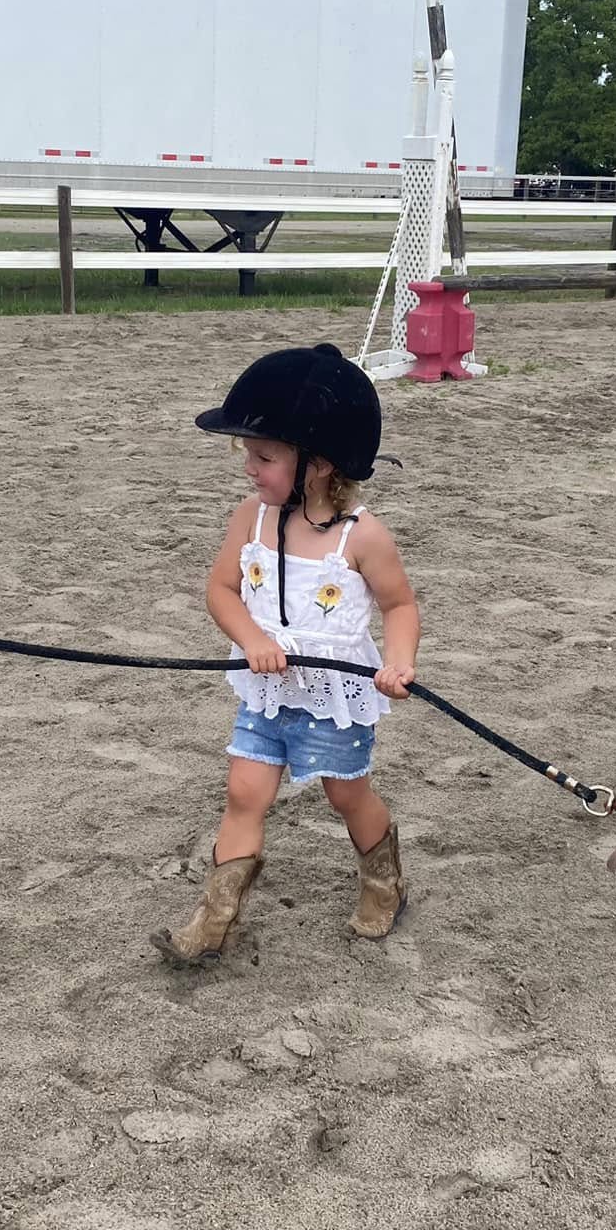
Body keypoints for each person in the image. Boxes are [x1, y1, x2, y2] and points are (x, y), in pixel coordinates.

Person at [154, 344, 419, 964]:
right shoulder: (248, 519)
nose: (249, 466)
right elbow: (220, 590)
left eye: (265, 456)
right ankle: (213, 920)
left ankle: (385, 881)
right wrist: (252, 640)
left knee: (345, 794)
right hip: (267, 692)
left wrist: (399, 662)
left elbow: (400, 606)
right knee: (244, 794)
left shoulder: (364, 537)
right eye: (246, 452)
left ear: (321, 464)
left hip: (333, 698)